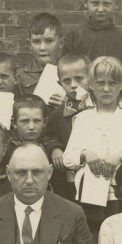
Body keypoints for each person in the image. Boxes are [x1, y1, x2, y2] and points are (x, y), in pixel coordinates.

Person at [62, 56, 122, 237]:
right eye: (100, 83)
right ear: (91, 86)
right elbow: (67, 158)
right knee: (92, 238)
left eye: (112, 83)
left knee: (121, 236)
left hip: (120, 196)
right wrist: (85, 154)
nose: (106, 89)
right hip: (89, 196)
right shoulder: (83, 119)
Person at [40, 53, 92, 199]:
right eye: (67, 81)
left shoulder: (98, 109)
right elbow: (49, 134)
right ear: (60, 84)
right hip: (68, 175)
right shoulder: (58, 113)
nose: (73, 85)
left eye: (79, 79)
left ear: (91, 78)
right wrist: (55, 148)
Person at [63, 0, 122, 66]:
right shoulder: (74, 36)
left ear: (117, 4)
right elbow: (64, 68)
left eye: (106, 4)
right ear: (85, 2)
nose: (100, 9)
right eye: (95, 3)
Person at [15, 13, 65, 94]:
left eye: (49, 41)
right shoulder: (20, 76)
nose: (42, 48)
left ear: (60, 43)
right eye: (36, 41)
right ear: (29, 44)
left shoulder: (69, 73)